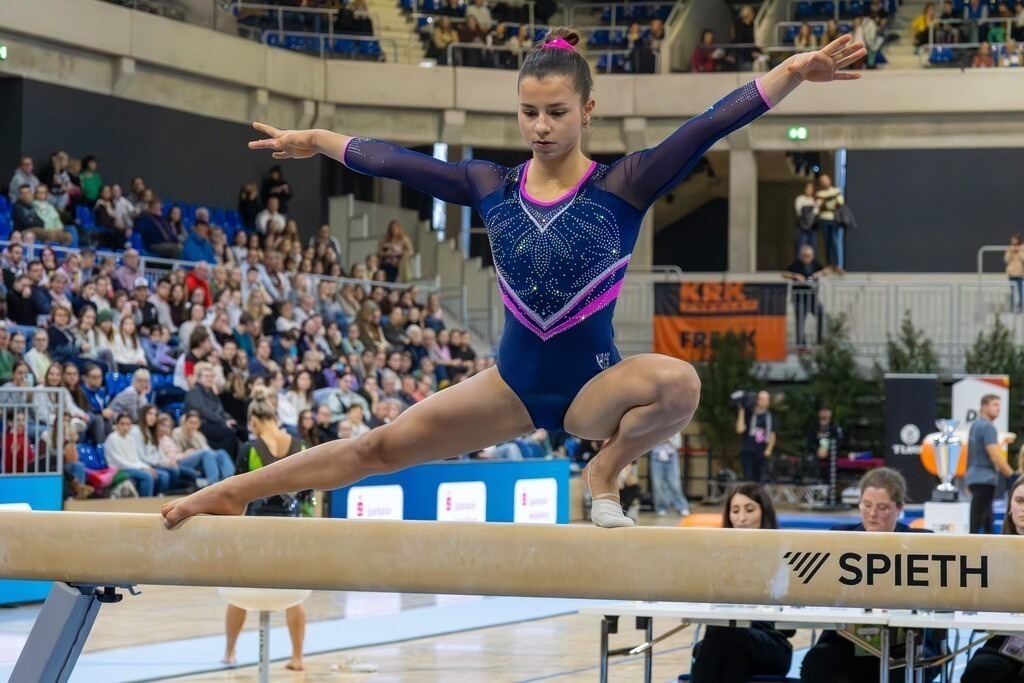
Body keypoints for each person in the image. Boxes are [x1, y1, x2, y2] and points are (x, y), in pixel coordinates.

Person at [161, 30, 866, 530]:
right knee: (373, 448)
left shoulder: (626, 183)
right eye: (529, 111)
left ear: (587, 111)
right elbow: (395, 162)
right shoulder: (488, 183)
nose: (540, 125)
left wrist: (794, 72)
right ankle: (230, 492)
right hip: (508, 386)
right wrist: (317, 140)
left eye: (557, 112)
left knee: (681, 383)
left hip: (594, 389)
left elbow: (709, 124)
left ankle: (604, 471)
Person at [800, 468, 942, 682]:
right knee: (819, 662)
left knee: (898, 668)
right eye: (866, 506)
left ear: (900, 508)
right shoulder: (838, 538)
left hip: (906, 643)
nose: (872, 514)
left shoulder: (922, 543)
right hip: (846, 640)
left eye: (882, 508)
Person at [223, 386, 307, 670]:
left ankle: (230, 652)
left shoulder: (249, 449)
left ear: (254, 422)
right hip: (291, 529)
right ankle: (297, 657)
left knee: (240, 589)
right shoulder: (300, 445)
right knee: (294, 592)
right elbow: (308, 494)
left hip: (257, 527)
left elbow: (234, 494)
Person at [689, 483, 791, 682]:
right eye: (735, 511)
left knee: (721, 633)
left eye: (750, 510)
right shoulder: (718, 554)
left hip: (771, 643)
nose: (741, 518)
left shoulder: (783, 552)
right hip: (730, 641)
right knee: (734, 661)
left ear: (764, 511)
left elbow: (788, 626)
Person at [961, 476, 1024, 682]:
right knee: (981, 672)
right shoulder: (990, 552)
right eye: (1020, 501)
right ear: (1009, 507)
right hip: (1004, 642)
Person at [966, 394, 1015, 534]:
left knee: (987, 521)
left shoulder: (975, 426)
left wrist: (968, 479)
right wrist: (1013, 476)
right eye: (994, 405)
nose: (998, 409)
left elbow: (972, 455)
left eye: (999, 405)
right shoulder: (988, 427)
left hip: (975, 478)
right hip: (985, 479)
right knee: (977, 524)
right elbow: (994, 455)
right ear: (983, 406)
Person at [782, 245, 828, 347]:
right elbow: (784, 273)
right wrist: (795, 276)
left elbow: (827, 270)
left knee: (820, 313)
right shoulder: (796, 264)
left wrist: (819, 273)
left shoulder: (815, 264)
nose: (807, 258)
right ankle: (800, 342)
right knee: (800, 320)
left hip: (812, 298)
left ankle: (820, 339)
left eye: (809, 256)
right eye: (805, 256)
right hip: (799, 298)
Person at [736, 391, 775, 483]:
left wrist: (768, 450)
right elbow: (740, 429)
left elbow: (772, 434)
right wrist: (741, 411)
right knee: (749, 478)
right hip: (748, 450)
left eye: (766, 399)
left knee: (761, 479)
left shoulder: (769, 417)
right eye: (761, 398)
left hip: (761, 451)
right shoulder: (749, 414)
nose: (763, 401)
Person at [648, 432, 690, 517]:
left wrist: (669, 440)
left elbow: (678, 445)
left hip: (671, 457)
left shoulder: (676, 426)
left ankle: (681, 507)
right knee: (658, 484)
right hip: (656, 457)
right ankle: (661, 507)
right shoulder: (655, 426)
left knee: (675, 484)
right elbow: (649, 443)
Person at [807, 406, 843, 483]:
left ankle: (830, 485)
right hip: (815, 453)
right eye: (823, 411)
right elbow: (809, 441)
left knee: (833, 463)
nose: (824, 413)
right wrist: (817, 450)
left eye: (827, 411)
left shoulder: (835, 427)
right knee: (810, 461)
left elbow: (839, 441)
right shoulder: (813, 427)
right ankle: (814, 483)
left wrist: (828, 450)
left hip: (831, 454)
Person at [794, 181, 818, 252]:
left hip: (812, 226)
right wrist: (811, 209)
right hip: (802, 226)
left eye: (811, 189)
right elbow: (799, 211)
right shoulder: (800, 199)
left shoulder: (814, 200)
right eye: (808, 188)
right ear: (805, 189)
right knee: (801, 246)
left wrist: (808, 209)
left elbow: (816, 212)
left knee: (812, 246)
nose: (809, 190)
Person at [1006, 234, 1024, 313]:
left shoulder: (1022, 248)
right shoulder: (1010, 248)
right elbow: (1006, 259)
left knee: (1020, 290)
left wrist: (1019, 252)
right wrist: (1010, 253)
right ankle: (1013, 306)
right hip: (1011, 273)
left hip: (1019, 273)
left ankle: (1020, 305)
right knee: (1013, 291)